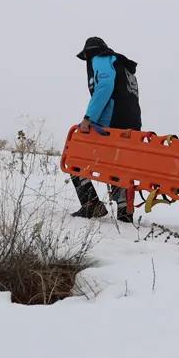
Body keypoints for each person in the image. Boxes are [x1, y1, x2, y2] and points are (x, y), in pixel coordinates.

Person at [72, 36, 142, 223]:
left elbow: (104, 86)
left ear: (89, 53)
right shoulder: (123, 66)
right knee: (120, 167)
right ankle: (125, 214)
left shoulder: (101, 59)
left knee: (75, 156)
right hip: (132, 124)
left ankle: (91, 204)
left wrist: (89, 118)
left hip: (111, 122)